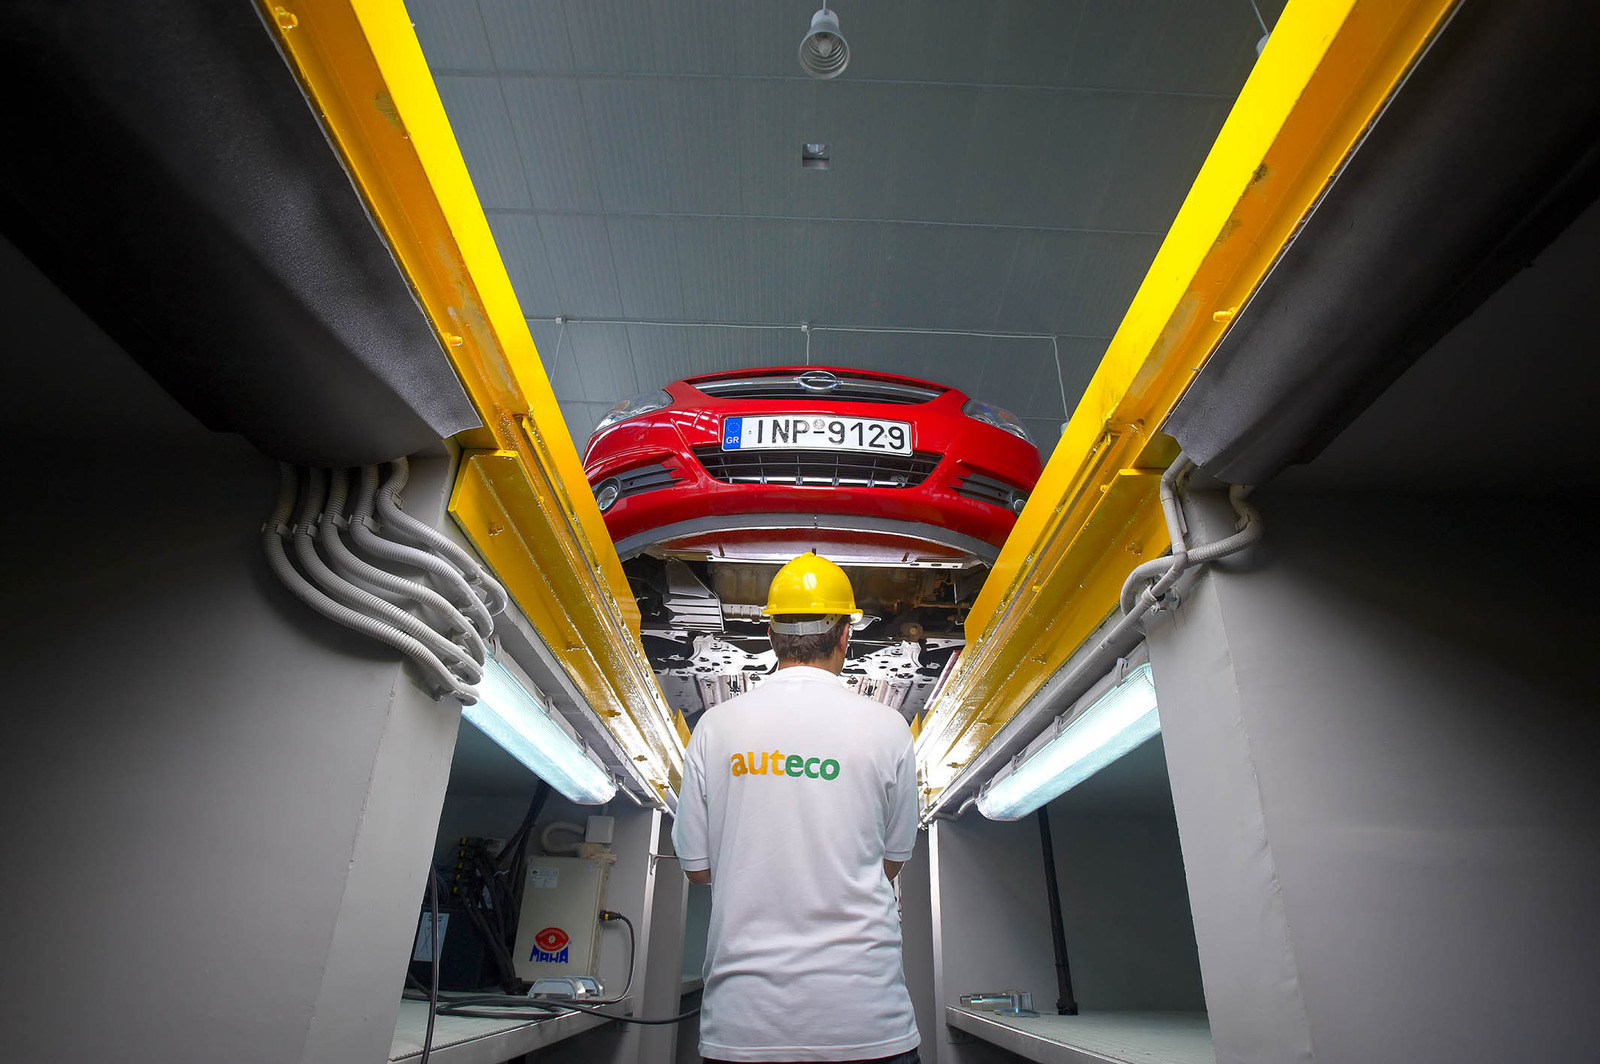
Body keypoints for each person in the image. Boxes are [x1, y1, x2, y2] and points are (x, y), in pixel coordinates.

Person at [672, 552, 922, 1064]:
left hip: (744, 1025)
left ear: (771, 636)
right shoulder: (889, 728)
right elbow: (891, 862)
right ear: (845, 635)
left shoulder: (715, 728)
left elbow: (697, 869)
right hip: (867, 1020)